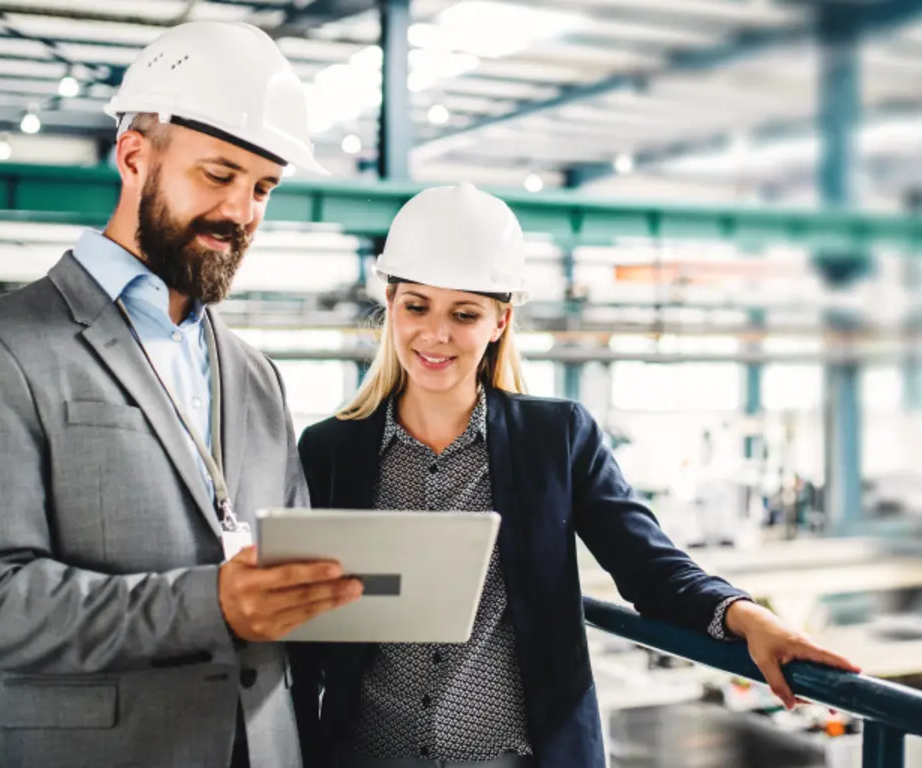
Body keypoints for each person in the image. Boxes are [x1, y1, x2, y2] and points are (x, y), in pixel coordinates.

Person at [291, 183, 860, 768]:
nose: (436, 334)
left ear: (499, 322)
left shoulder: (556, 439)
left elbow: (649, 565)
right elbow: (300, 614)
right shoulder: (331, 450)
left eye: (464, 314)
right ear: (391, 304)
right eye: (417, 306)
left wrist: (747, 615)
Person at [0, 21, 361, 768]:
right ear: (133, 157)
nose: (242, 212)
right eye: (218, 176)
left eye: (263, 189)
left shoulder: (256, 374)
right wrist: (209, 604)